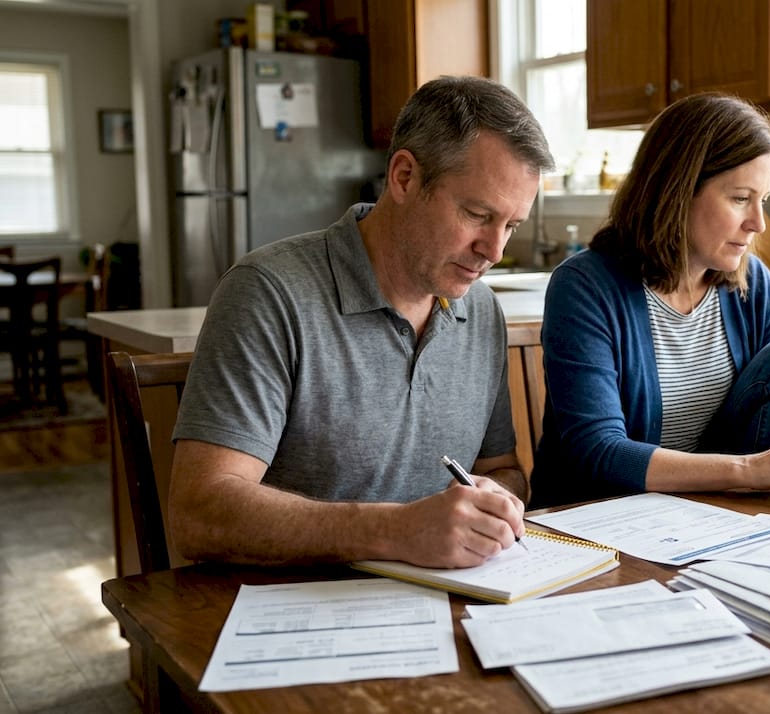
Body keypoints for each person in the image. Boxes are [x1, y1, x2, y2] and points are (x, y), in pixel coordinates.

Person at [168, 76, 556, 568]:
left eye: (512, 226)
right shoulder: (268, 292)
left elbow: (500, 470)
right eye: (477, 214)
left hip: (445, 604)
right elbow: (198, 513)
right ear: (404, 177)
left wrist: (495, 502)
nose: (495, 251)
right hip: (290, 610)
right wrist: (396, 530)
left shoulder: (479, 310)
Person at [530, 93, 770, 509]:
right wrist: (750, 471)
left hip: (716, 515)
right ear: (678, 190)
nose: (759, 223)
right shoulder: (585, 286)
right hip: (605, 515)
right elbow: (598, 451)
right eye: (739, 198)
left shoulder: (752, 284)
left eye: (762, 200)